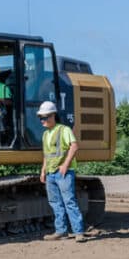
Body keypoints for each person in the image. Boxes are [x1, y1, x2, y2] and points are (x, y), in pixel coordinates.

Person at [37, 101, 86, 243]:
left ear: (53, 116)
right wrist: (43, 171)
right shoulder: (46, 134)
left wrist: (65, 165)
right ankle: (61, 231)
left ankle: (78, 232)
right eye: (40, 118)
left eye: (44, 117)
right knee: (55, 202)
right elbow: (47, 154)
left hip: (63, 172)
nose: (42, 120)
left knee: (69, 201)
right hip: (51, 173)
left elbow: (74, 146)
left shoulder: (64, 130)